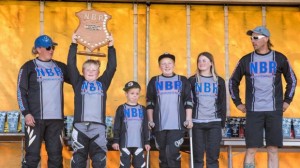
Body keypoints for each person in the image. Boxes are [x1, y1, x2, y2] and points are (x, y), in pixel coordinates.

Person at [229, 26, 297, 168]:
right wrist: (237, 103)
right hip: (253, 112)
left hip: (274, 111)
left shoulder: (279, 58)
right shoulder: (246, 60)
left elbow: (292, 79)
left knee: (272, 149)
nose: (252, 41)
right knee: (251, 149)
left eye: (255, 37)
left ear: (266, 39)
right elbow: (232, 82)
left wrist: (287, 101)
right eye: (251, 38)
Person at [17, 34, 70, 168]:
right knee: (32, 157)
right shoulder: (28, 67)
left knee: (56, 157)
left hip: (56, 120)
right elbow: (20, 91)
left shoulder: (60, 67)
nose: (51, 50)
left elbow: (78, 80)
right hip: (35, 120)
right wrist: (26, 113)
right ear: (38, 49)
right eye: (48, 47)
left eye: (52, 47)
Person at [68, 34, 116, 168]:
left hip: (98, 128)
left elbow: (112, 67)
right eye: (88, 69)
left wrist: (111, 46)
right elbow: (71, 65)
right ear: (83, 71)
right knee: (78, 161)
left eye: (94, 70)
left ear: (98, 72)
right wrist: (73, 44)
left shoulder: (103, 83)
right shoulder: (78, 82)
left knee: (100, 160)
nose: (91, 71)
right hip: (80, 127)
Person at [146, 53, 193, 168]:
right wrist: (150, 120)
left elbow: (188, 101)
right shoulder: (154, 81)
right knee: (163, 155)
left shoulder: (182, 80)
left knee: (172, 153)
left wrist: (188, 119)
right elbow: (150, 102)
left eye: (169, 63)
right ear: (159, 66)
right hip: (159, 126)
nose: (167, 66)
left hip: (177, 126)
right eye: (163, 64)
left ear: (174, 65)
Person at [188, 52, 226, 168]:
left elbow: (222, 102)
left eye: (204, 60)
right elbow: (188, 102)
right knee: (197, 157)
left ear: (211, 63)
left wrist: (222, 123)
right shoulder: (192, 80)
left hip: (214, 122)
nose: (201, 63)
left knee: (213, 158)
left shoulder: (219, 81)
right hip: (197, 123)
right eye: (199, 61)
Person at [112, 81, 151, 168]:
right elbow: (117, 125)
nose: (134, 95)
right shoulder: (121, 108)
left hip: (139, 144)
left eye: (137, 93)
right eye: (132, 93)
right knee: (124, 165)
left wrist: (147, 142)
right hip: (125, 144)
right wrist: (115, 140)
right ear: (126, 94)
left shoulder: (142, 109)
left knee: (140, 165)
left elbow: (145, 127)